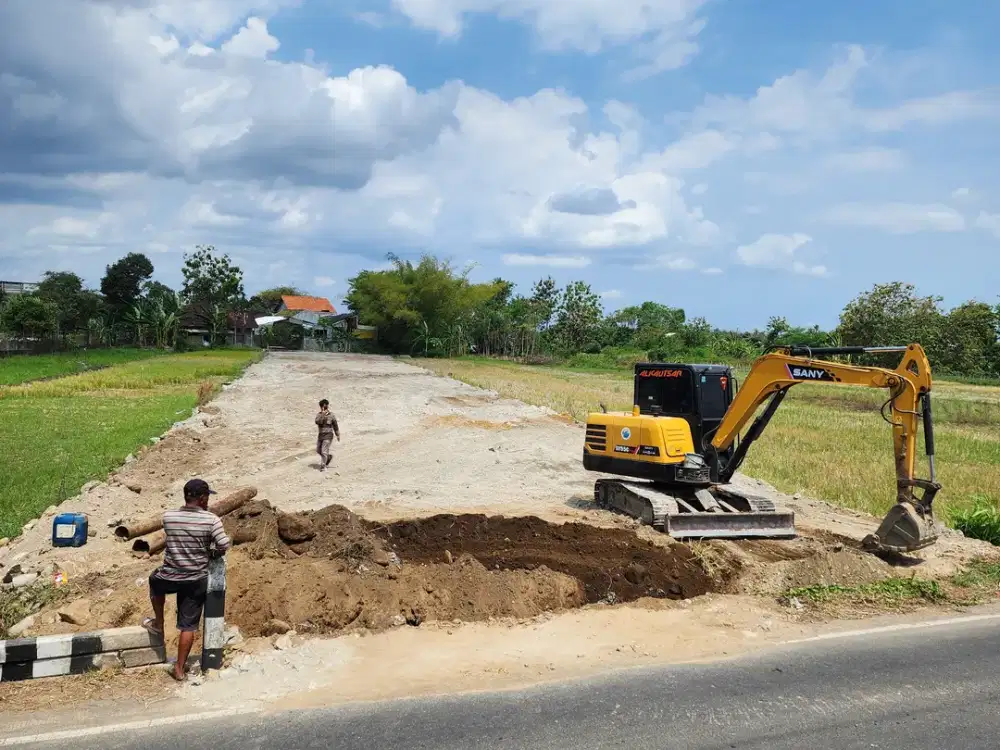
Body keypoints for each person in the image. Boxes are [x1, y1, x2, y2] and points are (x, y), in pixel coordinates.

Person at [142, 478, 231, 681]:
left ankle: (159, 621)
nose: (208, 500)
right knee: (187, 626)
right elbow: (224, 544)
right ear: (202, 498)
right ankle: (180, 669)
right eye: (207, 496)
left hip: (170, 575)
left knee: (154, 580)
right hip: (195, 578)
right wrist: (213, 553)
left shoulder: (169, 517)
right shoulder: (212, 520)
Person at [315, 398, 341, 471]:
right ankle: (328, 457)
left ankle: (323, 466)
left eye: (325, 406)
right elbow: (317, 422)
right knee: (318, 450)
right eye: (322, 406)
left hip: (328, 436)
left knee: (324, 451)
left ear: (327, 406)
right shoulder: (319, 415)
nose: (324, 408)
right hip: (321, 436)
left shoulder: (331, 415)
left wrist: (338, 435)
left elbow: (335, 425)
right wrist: (322, 416)